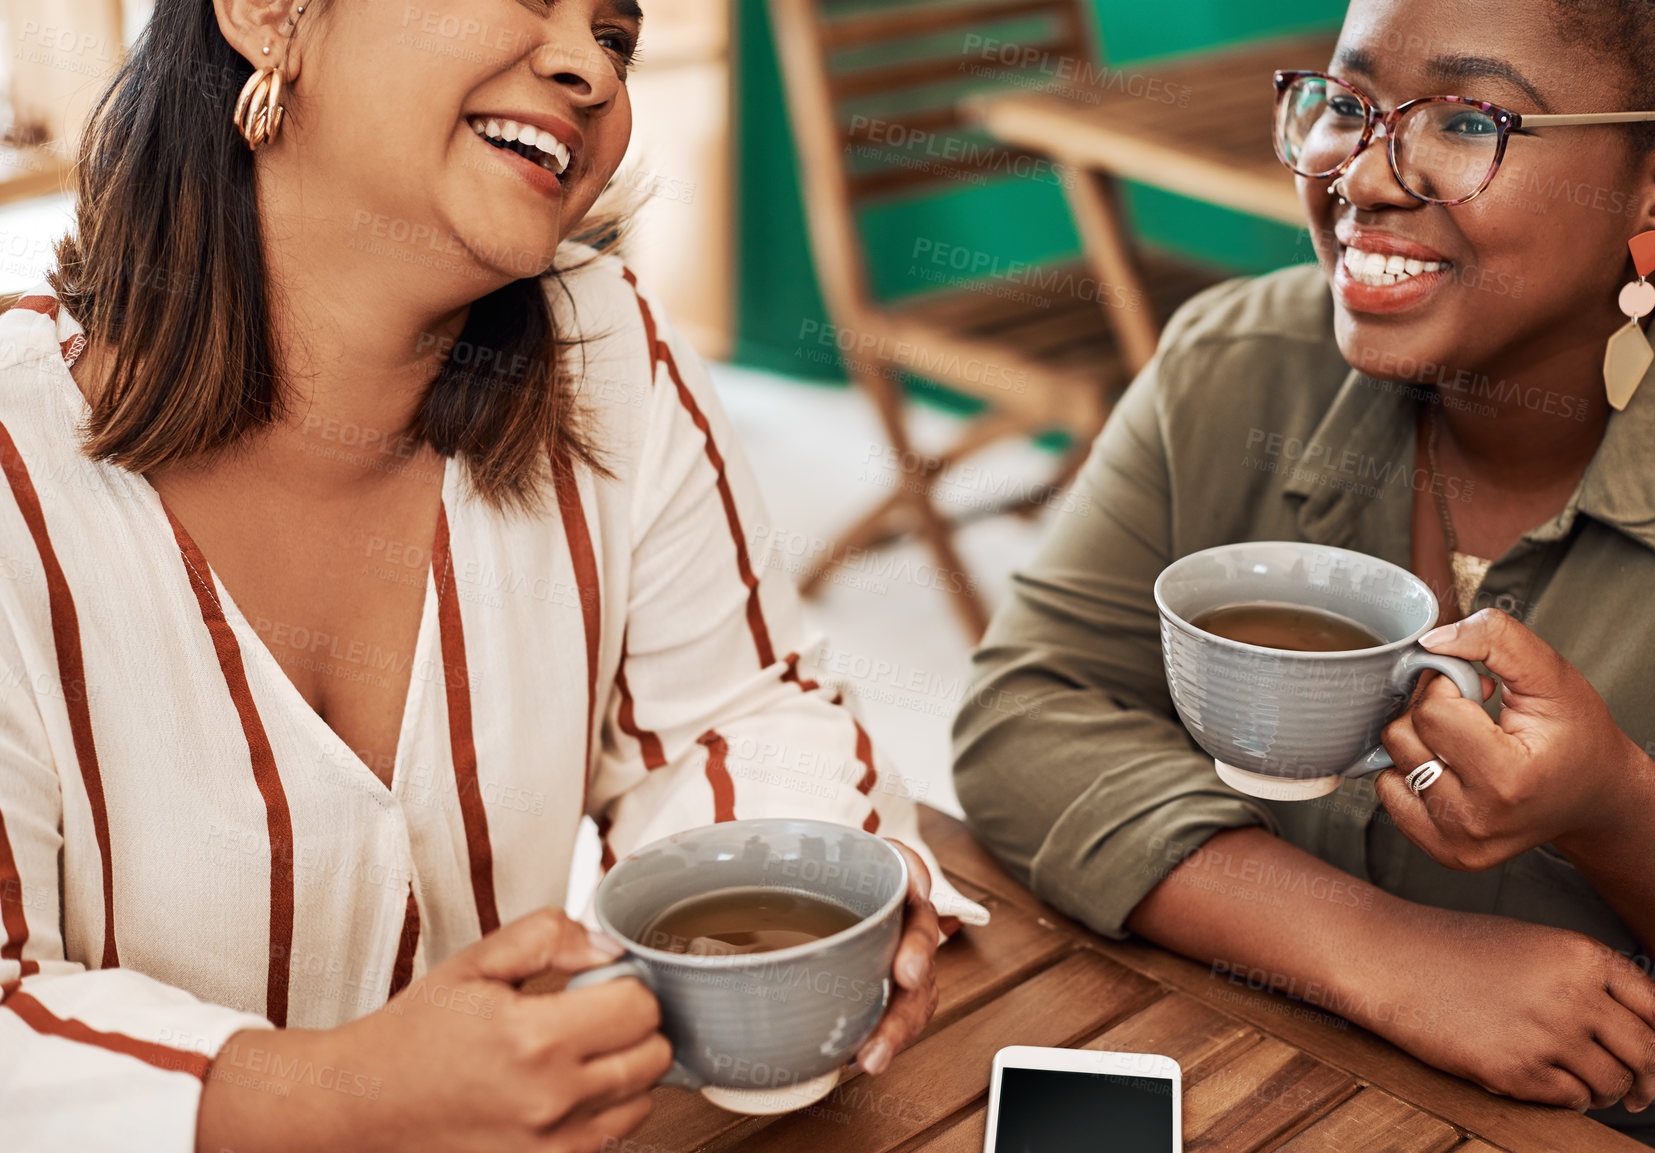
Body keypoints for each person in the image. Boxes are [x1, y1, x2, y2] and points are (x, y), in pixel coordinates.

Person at [0, 1, 983, 1149]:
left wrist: (809, 905)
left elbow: (746, 712)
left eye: (614, 35)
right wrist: (334, 1099)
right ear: (269, 14)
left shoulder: (609, 350)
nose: (589, 70)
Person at [953, 1, 1655, 1149]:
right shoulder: (1230, 363)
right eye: (1345, 105)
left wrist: (1613, 807)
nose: (1360, 175)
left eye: (1469, 121)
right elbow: (1021, 718)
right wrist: (1385, 956)